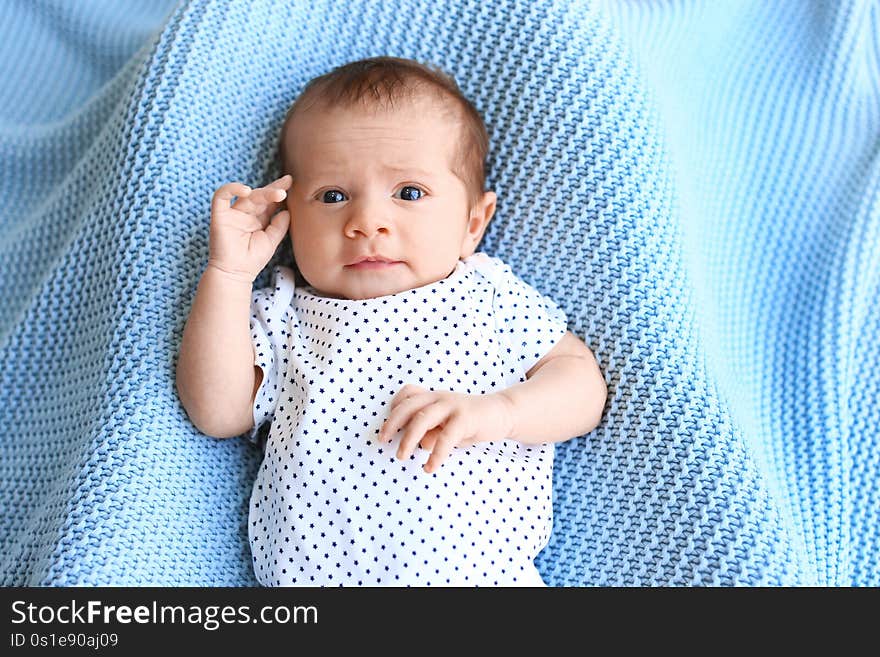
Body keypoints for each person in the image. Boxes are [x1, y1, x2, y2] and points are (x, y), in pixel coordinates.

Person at [176, 57, 607, 586]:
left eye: (408, 193)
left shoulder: (487, 293)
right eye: (333, 197)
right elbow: (218, 412)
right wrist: (228, 273)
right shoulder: (285, 310)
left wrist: (500, 413)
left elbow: (581, 383)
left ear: (473, 222)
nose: (366, 223)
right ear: (291, 221)